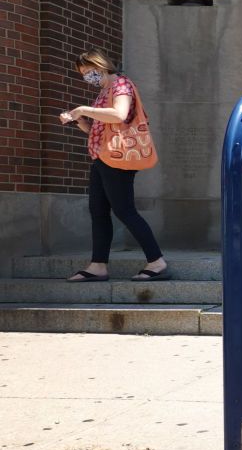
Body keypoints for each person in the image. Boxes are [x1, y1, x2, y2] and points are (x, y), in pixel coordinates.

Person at [59, 49, 170, 282]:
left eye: (90, 71)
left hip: (118, 158)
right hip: (102, 156)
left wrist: (83, 109)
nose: (88, 77)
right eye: (84, 74)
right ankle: (98, 265)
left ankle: (156, 261)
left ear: (101, 66)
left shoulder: (121, 85)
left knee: (124, 210)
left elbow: (119, 115)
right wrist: (80, 121)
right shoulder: (104, 91)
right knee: (98, 210)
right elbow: (99, 130)